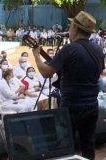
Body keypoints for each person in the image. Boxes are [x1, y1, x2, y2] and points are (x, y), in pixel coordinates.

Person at [32, 11, 104, 159]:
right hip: (92, 106)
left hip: (71, 107)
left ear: (76, 29)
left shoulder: (70, 49)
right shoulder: (97, 49)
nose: (69, 29)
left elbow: (47, 73)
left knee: (65, 145)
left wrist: (36, 56)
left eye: (70, 26)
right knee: (88, 144)